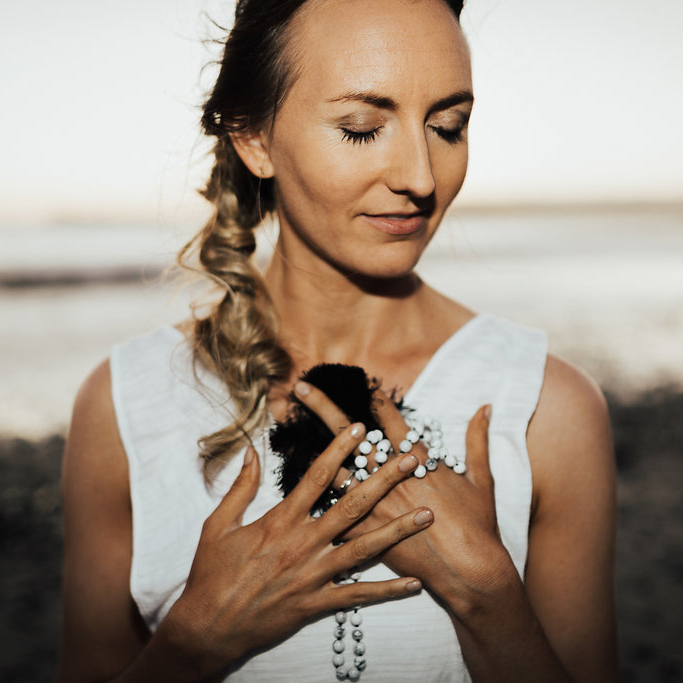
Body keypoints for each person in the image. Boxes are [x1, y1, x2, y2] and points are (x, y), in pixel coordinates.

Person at [59, 0, 618, 681]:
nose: (419, 176)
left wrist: (488, 594)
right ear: (253, 136)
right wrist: (193, 640)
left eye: (448, 125)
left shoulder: (548, 409)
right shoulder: (123, 405)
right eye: (361, 128)